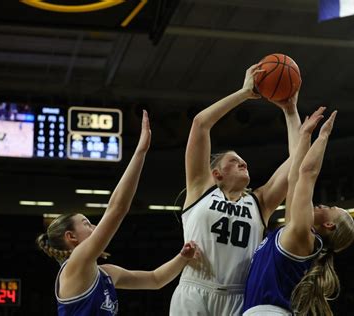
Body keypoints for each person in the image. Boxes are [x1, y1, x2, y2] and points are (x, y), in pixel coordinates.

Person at [169, 64, 302, 315]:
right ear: (216, 173)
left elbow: (298, 162)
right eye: (234, 160)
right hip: (194, 290)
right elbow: (200, 124)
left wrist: (290, 110)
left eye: (243, 160)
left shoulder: (259, 202)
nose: (243, 162)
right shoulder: (200, 190)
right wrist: (243, 93)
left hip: (239, 295)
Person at [36, 111, 198, 316]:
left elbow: (155, 280)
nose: (95, 227)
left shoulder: (106, 273)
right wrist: (140, 151)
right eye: (86, 223)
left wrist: (183, 257)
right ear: (71, 237)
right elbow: (117, 209)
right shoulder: (76, 263)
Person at [243, 108, 354, 316]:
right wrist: (296, 121)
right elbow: (295, 177)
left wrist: (323, 136)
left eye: (330, 209)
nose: (323, 205)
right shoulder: (294, 233)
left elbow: (308, 173)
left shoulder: (303, 236)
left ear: (329, 225)